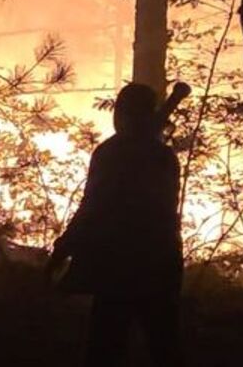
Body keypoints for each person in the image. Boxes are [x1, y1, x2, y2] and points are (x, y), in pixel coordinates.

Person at [50, 83, 184, 367]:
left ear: (122, 114)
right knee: (164, 347)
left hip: (118, 266)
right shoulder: (163, 157)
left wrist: (62, 251)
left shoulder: (112, 154)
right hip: (159, 265)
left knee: (105, 349)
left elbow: (92, 208)